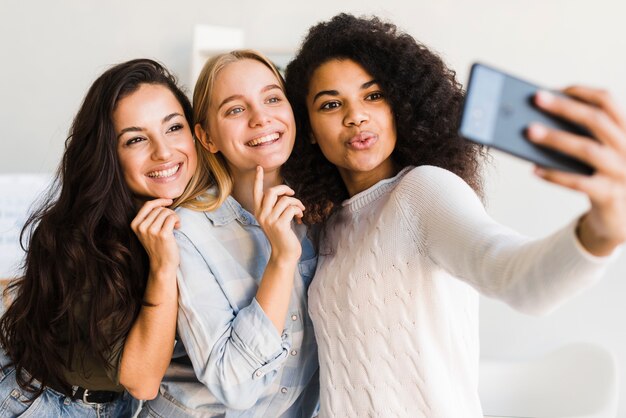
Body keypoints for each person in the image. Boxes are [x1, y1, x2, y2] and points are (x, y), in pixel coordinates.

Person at [282, 13, 626, 417]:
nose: (355, 115)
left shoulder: (424, 190)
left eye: (373, 95)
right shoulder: (328, 225)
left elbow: (516, 277)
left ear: (400, 104)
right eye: (331, 103)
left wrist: (603, 230)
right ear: (307, 129)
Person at [0, 58, 203, 417]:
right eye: (136, 139)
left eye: (173, 127)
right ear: (109, 154)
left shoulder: (186, 214)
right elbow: (141, 380)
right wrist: (162, 267)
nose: (164, 151)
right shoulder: (85, 239)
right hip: (49, 405)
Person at [139, 49, 319, 418]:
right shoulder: (186, 231)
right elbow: (235, 385)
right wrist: (281, 261)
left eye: (272, 98)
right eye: (236, 109)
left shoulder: (328, 213)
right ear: (207, 138)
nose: (260, 118)